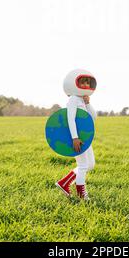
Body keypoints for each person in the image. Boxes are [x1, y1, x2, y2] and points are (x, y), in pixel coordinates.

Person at [55, 70, 97, 200]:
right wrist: (75, 138)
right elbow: (70, 119)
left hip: (85, 138)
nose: (85, 84)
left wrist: (88, 103)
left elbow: (93, 117)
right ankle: (81, 194)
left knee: (90, 164)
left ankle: (64, 183)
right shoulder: (73, 99)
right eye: (83, 81)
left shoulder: (82, 100)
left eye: (88, 82)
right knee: (83, 165)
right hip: (77, 138)